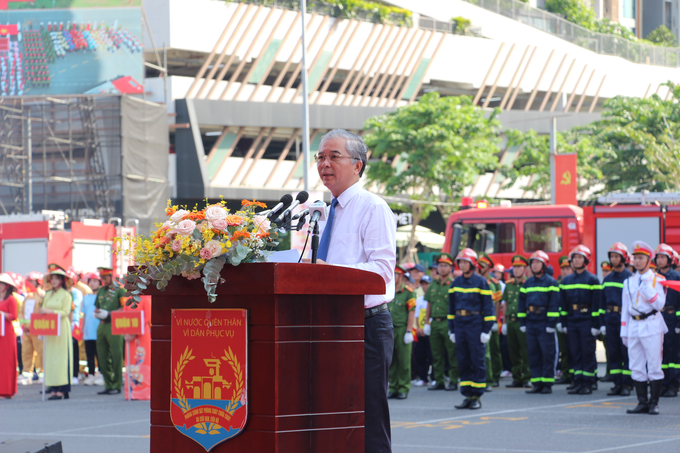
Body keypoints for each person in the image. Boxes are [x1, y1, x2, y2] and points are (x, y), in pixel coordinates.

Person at [314, 129, 396, 453]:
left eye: (334, 156)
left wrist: (328, 276)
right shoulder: (323, 212)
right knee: (334, 415)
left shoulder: (372, 208)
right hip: (327, 322)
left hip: (366, 324)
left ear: (358, 165)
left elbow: (381, 271)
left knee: (368, 418)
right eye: (320, 157)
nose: (325, 164)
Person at [622, 241, 667, 415]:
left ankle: (654, 403)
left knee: (654, 364)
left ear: (649, 260)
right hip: (634, 325)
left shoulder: (657, 279)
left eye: (641, 258)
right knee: (636, 365)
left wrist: (648, 287)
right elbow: (625, 308)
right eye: (635, 258)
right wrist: (624, 332)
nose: (637, 261)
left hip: (651, 325)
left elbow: (660, 304)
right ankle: (642, 402)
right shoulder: (628, 282)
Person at [448, 248, 494, 410]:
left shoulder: (481, 282)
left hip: (475, 324)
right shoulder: (456, 283)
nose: (462, 264)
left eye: (465, 262)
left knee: (477, 361)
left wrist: (486, 330)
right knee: (463, 360)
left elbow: (488, 308)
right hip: (460, 325)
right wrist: (451, 330)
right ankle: (467, 395)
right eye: (460, 262)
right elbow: (451, 308)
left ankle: (477, 396)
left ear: (473, 264)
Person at [560, 245, 602, 395]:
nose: (576, 260)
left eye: (580, 257)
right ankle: (577, 381)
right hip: (572, 320)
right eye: (575, 258)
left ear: (586, 260)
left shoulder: (592, 280)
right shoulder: (566, 281)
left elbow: (597, 304)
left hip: (586, 321)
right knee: (574, 352)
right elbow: (563, 304)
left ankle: (588, 383)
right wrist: (564, 323)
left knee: (587, 352)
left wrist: (596, 324)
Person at [518, 251, 560, 394]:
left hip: (544, 322)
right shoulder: (527, 283)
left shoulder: (551, 282)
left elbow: (554, 304)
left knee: (547, 353)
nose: (534, 265)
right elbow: (521, 303)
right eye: (533, 263)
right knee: (533, 353)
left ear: (544, 264)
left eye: (537, 262)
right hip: (531, 321)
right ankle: (536, 382)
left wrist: (550, 324)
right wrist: (522, 322)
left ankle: (547, 383)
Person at [423, 253, 459, 391]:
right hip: (435, 323)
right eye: (440, 265)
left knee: (452, 353)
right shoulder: (433, 285)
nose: (442, 268)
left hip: (448, 322)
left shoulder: (454, 284)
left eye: (445, 266)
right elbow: (429, 305)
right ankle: (439, 380)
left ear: (450, 268)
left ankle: (454, 380)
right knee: (436, 354)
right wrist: (426, 322)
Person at [602, 242, 633, 396]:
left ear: (624, 258)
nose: (613, 259)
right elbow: (602, 303)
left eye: (616, 256)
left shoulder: (630, 278)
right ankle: (617, 383)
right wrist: (602, 323)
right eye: (612, 256)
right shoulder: (607, 280)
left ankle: (627, 384)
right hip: (610, 319)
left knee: (625, 352)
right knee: (613, 352)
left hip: (625, 319)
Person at [40, 268, 73, 400]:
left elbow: (65, 312)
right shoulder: (47, 294)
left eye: (57, 279)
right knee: (50, 358)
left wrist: (49, 311)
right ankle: (53, 387)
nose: (54, 281)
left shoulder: (66, 295)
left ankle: (63, 389)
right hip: (49, 328)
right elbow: (42, 310)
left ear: (62, 280)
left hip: (61, 328)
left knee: (61, 358)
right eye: (52, 278)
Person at [653, 244, 680, 397]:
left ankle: (673, 385)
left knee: (673, 354)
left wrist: (678, 322)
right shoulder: (654, 277)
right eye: (658, 257)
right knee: (659, 353)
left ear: (670, 259)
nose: (660, 260)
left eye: (663, 257)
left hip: (671, 317)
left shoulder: (676, 277)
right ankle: (662, 384)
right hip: (657, 317)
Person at [95, 266, 127, 395]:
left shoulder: (120, 290)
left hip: (115, 324)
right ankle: (108, 383)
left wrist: (109, 313)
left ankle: (117, 384)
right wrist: (96, 313)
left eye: (105, 278)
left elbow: (124, 307)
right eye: (101, 278)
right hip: (102, 325)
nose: (103, 280)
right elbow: (97, 306)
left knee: (116, 355)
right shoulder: (101, 291)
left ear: (111, 277)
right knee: (102, 356)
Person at [387, 265, 415, 399]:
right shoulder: (388, 290)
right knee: (391, 360)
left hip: (402, 329)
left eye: (396, 274)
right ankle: (393, 386)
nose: (394, 276)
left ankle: (403, 387)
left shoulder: (408, 292)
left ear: (402, 276)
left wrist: (409, 331)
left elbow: (411, 312)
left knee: (404, 360)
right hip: (389, 329)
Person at [503, 256, 531, 388]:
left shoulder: (529, 283)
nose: (516, 269)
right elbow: (506, 304)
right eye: (514, 267)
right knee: (513, 351)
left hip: (523, 321)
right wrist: (504, 322)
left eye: (519, 267)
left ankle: (528, 377)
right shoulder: (509, 285)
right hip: (511, 321)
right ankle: (517, 377)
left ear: (525, 268)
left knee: (525, 351)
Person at [477, 253, 502, 389]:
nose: (479, 268)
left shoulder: (494, 284)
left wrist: (495, 320)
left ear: (488, 267)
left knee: (494, 350)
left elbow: (497, 303)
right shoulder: (475, 280)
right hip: (478, 320)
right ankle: (484, 379)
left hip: (490, 320)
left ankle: (494, 377)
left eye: (483, 266)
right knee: (483, 351)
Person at [19, 271, 44, 383]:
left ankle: (42, 373)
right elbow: (21, 312)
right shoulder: (27, 297)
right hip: (27, 330)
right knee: (26, 352)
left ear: (38, 282)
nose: (29, 283)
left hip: (38, 329)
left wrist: (33, 326)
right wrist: (23, 325)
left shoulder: (42, 296)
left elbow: (42, 313)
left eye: (31, 281)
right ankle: (27, 374)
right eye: (28, 281)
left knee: (41, 352)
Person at [81, 272, 102, 385]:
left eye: (95, 281)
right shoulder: (86, 298)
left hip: (98, 330)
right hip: (88, 331)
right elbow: (84, 314)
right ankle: (91, 374)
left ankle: (101, 373)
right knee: (89, 354)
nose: (92, 284)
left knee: (100, 353)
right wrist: (82, 328)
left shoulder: (102, 296)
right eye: (91, 281)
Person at [0, 273, 18, 398]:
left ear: (7, 286)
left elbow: (14, 316)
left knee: (6, 361)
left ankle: (6, 390)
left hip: (6, 332)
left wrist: (2, 314)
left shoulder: (11, 299)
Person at [555, 256, 572, 385]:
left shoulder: (572, 282)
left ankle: (574, 374)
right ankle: (566, 373)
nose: (565, 271)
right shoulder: (557, 283)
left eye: (567, 268)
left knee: (575, 349)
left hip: (572, 319)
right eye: (563, 269)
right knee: (563, 349)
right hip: (560, 320)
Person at [412, 274, 432, 386]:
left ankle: (434, 378)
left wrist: (427, 326)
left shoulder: (433, 298)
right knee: (420, 355)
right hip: (420, 331)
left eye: (427, 284)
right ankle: (423, 378)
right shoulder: (419, 299)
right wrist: (419, 328)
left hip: (430, 330)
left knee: (432, 355)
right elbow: (416, 315)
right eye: (423, 284)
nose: (425, 286)